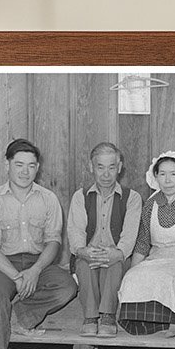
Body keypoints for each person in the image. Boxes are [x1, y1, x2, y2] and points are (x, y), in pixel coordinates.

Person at [0, 139, 78, 349]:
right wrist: (16, 276)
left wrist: (33, 272)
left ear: (38, 168)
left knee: (67, 286)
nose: (25, 171)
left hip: (38, 263)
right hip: (3, 265)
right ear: (7, 165)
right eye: (19, 164)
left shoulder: (48, 198)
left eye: (31, 166)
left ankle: (22, 316)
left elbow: (54, 241)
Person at [116, 151, 175, 337]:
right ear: (156, 177)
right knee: (132, 278)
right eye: (162, 174)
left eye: (173, 174)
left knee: (166, 279)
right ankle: (166, 322)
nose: (168, 180)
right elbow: (142, 243)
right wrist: (132, 270)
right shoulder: (150, 205)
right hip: (156, 258)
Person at [66, 142, 142, 337]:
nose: (106, 174)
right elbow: (76, 232)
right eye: (100, 167)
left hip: (117, 255)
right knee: (82, 263)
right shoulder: (81, 196)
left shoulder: (131, 198)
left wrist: (117, 253)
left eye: (111, 167)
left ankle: (108, 315)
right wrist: (82, 251)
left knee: (115, 263)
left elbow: (129, 236)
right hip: (88, 253)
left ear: (119, 168)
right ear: (92, 167)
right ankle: (90, 317)